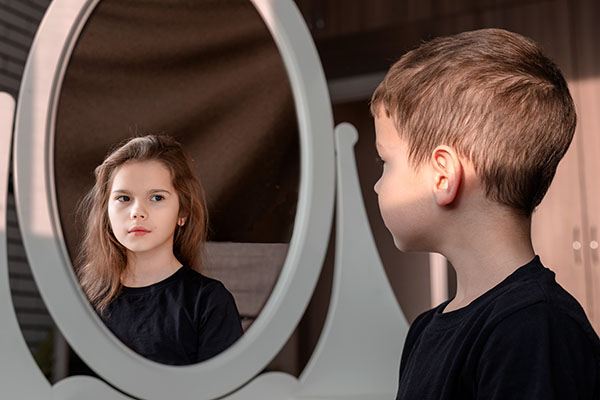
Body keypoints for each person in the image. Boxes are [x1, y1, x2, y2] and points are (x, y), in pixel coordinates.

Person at [370, 28, 600, 399]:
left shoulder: (533, 327)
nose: (378, 185)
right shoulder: (424, 330)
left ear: (443, 176)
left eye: (386, 161)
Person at [76, 135, 242, 365]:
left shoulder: (209, 302)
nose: (137, 212)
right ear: (106, 211)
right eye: (124, 198)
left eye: (156, 197)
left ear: (183, 212)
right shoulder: (82, 300)